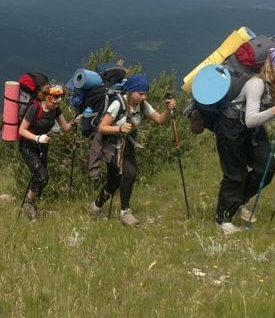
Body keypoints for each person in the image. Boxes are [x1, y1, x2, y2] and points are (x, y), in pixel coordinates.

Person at [213, 47, 275, 235]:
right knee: (235, 175)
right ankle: (223, 219)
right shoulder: (256, 84)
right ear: (274, 66)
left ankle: (238, 201)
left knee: (267, 168)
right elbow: (251, 119)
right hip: (231, 127)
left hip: (252, 130)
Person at [88, 74, 176, 226]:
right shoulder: (117, 104)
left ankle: (96, 207)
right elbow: (102, 127)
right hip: (112, 146)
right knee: (129, 173)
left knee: (113, 182)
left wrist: (168, 110)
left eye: (145, 93)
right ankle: (125, 212)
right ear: (130, 91)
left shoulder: (143, 105)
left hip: (127, 144)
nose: (143, 96)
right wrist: (119, 128)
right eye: (140, 93)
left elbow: (160, 120)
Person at [17, 83, 76, 220]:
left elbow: (66, 127)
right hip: (28, 146)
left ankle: (32, 205)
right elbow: (21, 130)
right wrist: (37, 138)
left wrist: (74, 122)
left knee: (45, 179)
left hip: (42, 146)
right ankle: (28, 204)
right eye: (55, 99)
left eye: (60, 99)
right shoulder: (34, 108)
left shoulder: (55, 110)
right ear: (48, 97)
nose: (57, 102)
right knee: (41, 175)